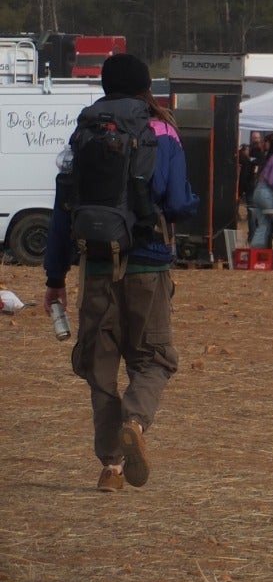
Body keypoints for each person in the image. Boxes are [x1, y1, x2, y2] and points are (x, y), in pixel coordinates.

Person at [42, 54, 199, 491]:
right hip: (148, 264)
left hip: (93, 265)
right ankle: (135, 421)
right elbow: (179, 202)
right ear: (147, 86)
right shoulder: (162, 130)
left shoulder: (84, 132)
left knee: (101, 365)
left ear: (106, 86)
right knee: (155, 359)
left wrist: (54, 278)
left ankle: (110, 468)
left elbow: (62, 209)